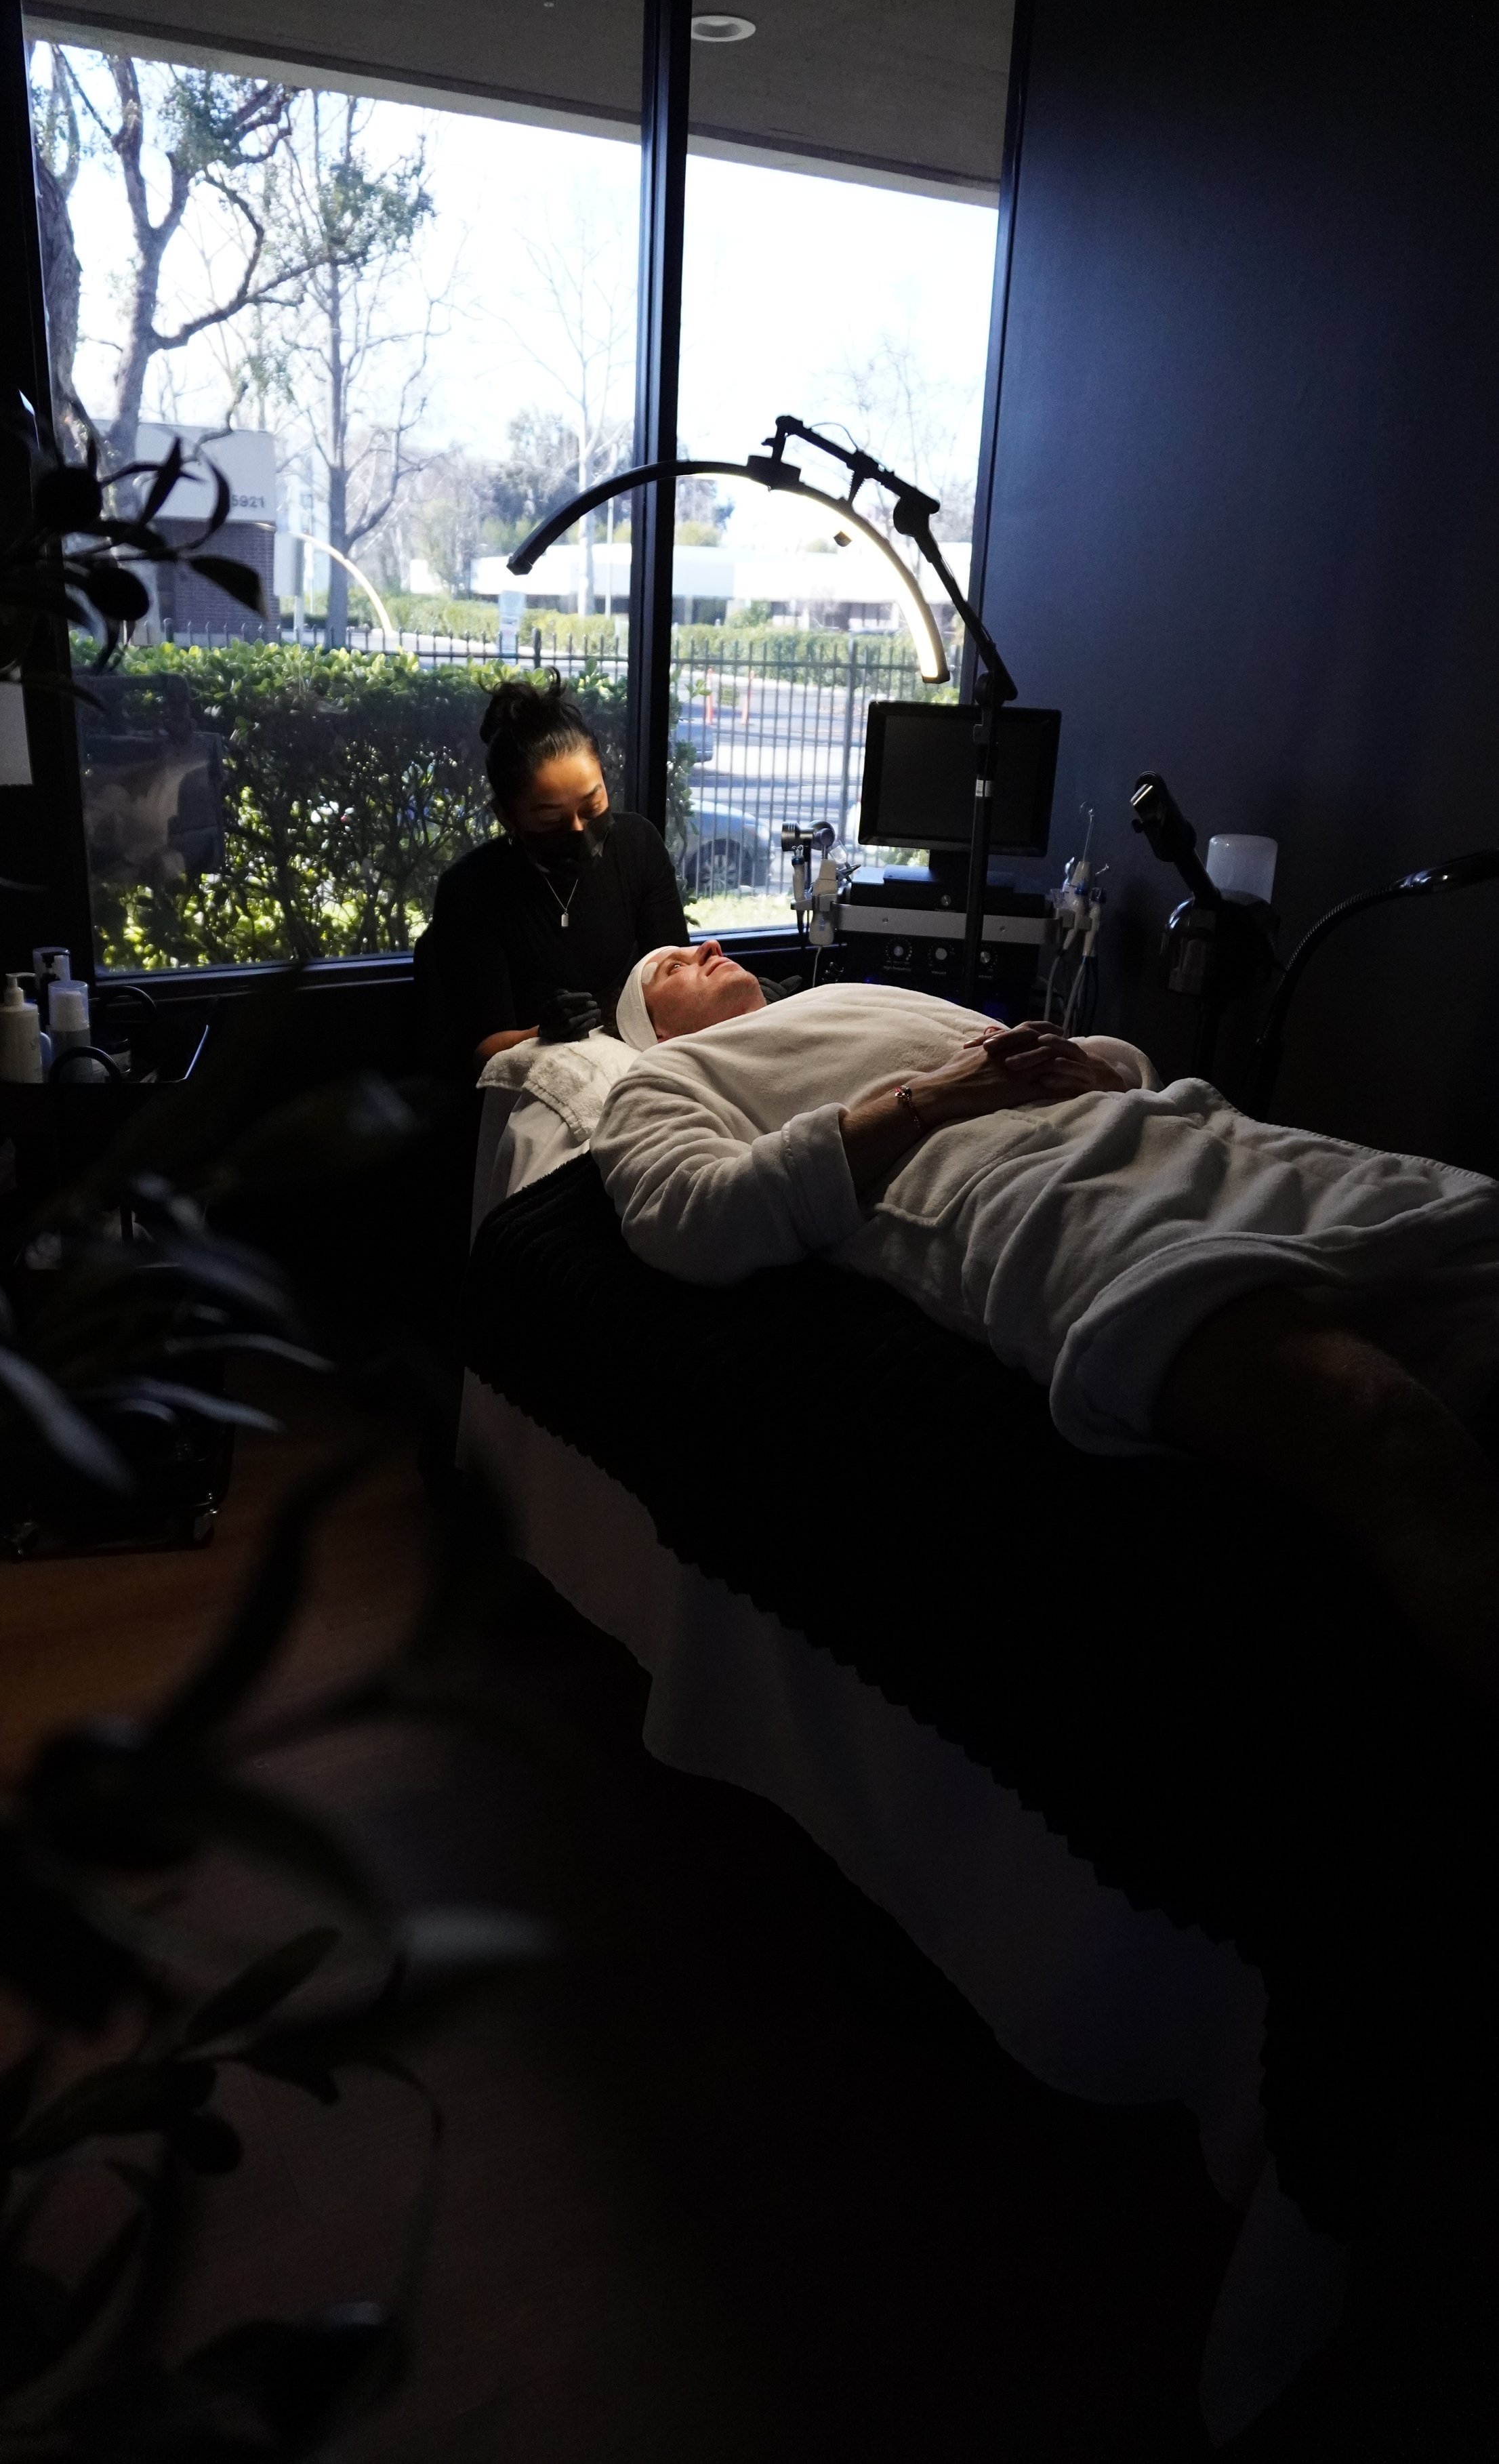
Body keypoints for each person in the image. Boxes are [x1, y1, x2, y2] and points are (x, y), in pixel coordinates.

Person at [595, 940, 1499, 1714]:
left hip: (1193, 1135)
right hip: (1044, 1197)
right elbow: (692, 1215)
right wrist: (928, 1099)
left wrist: (1107, 1067)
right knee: (1390, 1434)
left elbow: (1033, 1052)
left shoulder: (849, 992)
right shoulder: (665, 1077)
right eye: (671, 963)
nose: (704, 947)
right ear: (656, 1023)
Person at [424, 674, 688, 1072]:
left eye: (593, 804)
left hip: (636, 1067)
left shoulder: (637, 846)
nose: (580, 832)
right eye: (550, 820)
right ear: (507, 816)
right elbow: (482, 1049)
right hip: (526, 1087)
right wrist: (540, 1034)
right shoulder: (471, 890)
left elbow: (674, 969)